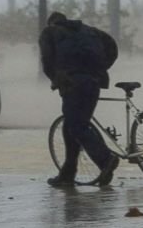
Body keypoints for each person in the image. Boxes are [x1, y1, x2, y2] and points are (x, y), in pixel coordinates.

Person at [39, 11, 119, 187]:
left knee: (77, 125)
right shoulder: (89, 30)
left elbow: (46, 62)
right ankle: (68, 173)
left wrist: (57, 80)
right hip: (94, 82)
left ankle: (106, 159)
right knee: (71, 125)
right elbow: (112, 47)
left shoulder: (49, 32)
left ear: (51, 23)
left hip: (73, 83)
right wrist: (100, 69)